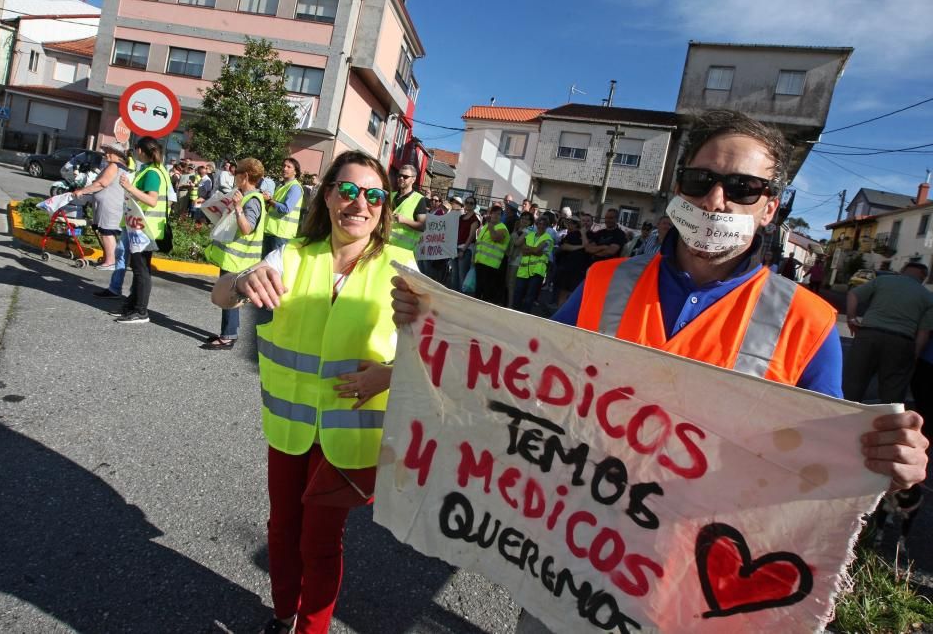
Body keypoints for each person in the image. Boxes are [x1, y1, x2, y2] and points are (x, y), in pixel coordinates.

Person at [391, 110, 928, 593]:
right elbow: (526, 370)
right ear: (677, 189)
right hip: (574, 549)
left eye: (742, 188)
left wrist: (887, 464)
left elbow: (826, 455)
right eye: (701, 180)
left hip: (694, 575)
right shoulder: (604, 282)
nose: (716, 200)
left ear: (770, 207)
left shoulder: (808, 322)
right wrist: (438, 326)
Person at [210, 150, 415, 634]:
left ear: (384, 206)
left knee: (320, 543)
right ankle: (284, 615)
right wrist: (241, 280)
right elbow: (221, 297)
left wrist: (386, 375)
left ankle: (312, 628)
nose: (359, 203)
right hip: (290, 425)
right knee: (282, 531)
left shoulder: (403, 269)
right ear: (327, 196)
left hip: (349, 436)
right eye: (347, 190)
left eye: (373, 195)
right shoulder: (295, 255)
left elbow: (433, 353)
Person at [844, 262, 933, 405]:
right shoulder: (928, 297)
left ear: (902, 270)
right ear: (923, 277)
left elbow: (853, 294)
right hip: (901, 341)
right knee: (893, 393)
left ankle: (842, 420)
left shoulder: (883, 280)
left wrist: (851, 318)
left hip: (869, 335)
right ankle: (888, 422)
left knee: (852, 384)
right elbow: (924, 332)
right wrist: (914, 355)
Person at [202, 158, 267, 350]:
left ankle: (228, 336)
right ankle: (230, 331)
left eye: (236, 172)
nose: (234, 175)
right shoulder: (246, 196)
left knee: (229, 295)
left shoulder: (252, 200)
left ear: (245, 176)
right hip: (234, 258)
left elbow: (247, 228)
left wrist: (238, 208)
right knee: (232, 295)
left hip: (238, 259)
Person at [114, 136, 171, 324]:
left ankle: (140, 310)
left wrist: (129, 188)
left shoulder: (152, 173)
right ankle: (132, 306)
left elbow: (152, 200)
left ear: (140, 151)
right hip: (143, 228)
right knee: (139, 268)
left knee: (141, 270)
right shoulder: (153, 169)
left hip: (145, 230)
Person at [72, 143, 130, 270]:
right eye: (106, 151)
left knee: (107, 232)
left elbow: (102, 183)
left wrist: (83, 191)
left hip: (109, 204)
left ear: (118, 155)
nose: (106, 154)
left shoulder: (114, 166)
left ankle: (110, 261)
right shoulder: (123, 167)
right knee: (109, 232)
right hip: (115, 203)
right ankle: (108, 259)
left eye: (109, 151)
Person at [261, 157, 305, 256]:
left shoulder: (295, 187)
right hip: (271, 231)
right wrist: (268, 201)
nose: (284, 168)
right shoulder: (282, 186)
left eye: (289, 167)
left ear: (295, 172)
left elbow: (286, 208)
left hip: (281, 234)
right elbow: (273, 207)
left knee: (274, 268)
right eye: (284, 166)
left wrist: (269, 200)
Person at [512, 215, 553, 313]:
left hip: (537, 271)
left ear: (547, 226)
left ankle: (525, 317)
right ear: (536, 224)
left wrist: (531, 249)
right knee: (518, 293)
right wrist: (534, 250)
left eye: (544, 224)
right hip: (524, 270)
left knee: (529, 297)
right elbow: (524, 250)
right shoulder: (530, 235)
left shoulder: (548, 238)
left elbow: (536, 250)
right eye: (539, 223)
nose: (541, 226)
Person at [473, 204, 511, 306]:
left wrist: (490, 227)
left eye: (499, 214)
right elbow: (478, 244)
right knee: (478, 289)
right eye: (494, 213)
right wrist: (474, 259)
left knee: (486, 291)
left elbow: (495, 238)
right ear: (490, 214)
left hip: (491, 264)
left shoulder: (502, 228)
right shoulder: (485, 227)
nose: (495, 215)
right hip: (480, 262)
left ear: (501, 216)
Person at [389, 164, 426, 251]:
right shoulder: (391, 195)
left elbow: (422, 226)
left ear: (413, 179)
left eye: (405, 177)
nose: (401, 178)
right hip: (384, 244)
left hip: (403, 250)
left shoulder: (419, 199)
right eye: (399, 175)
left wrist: (404, 220)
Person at [450, 196, 480, 292]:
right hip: (455, 248)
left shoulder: (475, 219)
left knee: (462, 276)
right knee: (454, 275)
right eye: (467, 202)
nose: (469, 204)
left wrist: (463, 250)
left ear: (475, 206)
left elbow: (471, 236)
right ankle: (453, 297)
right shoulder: (461, 217)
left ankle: (461, 299)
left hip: (466, 250)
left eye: (471, 203)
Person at [506, 212, 534, 307]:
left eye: (527, 219)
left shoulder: (528, 232)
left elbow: (517, 243)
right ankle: (510, 303)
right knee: (509, 282)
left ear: (530, 222)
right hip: (511, 258)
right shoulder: (518, 230)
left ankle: (511, 305)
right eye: (523, 218)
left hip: (519, 259)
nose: (524, 220)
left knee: (512, 284)